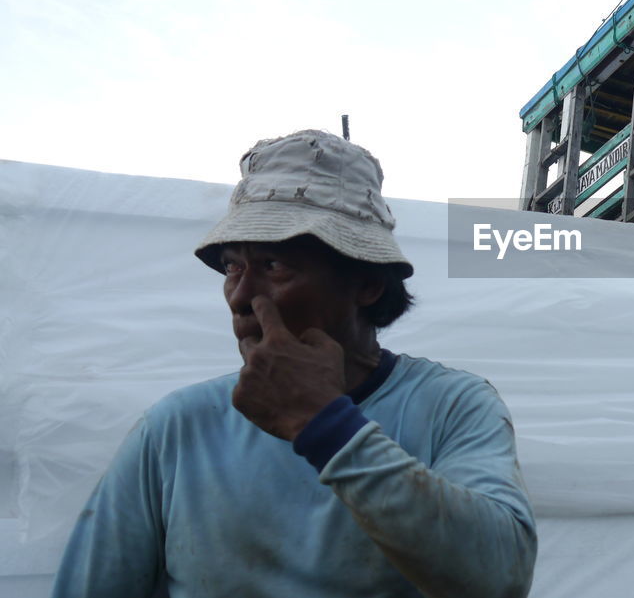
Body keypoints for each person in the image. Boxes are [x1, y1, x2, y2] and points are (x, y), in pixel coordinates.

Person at [52, 130, 537, 598]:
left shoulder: (451, 406)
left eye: (274, 266)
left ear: (367, 283)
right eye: (232, 267)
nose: (240, 297)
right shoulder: (175, 429)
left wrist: (325, 425)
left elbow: (498, 579)